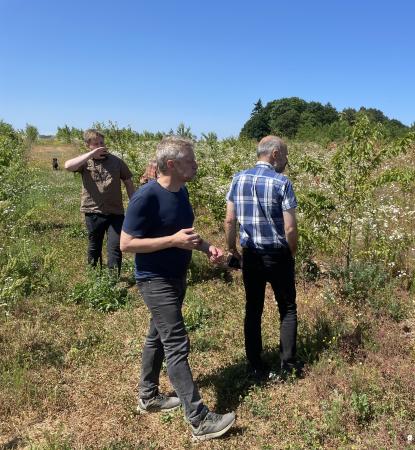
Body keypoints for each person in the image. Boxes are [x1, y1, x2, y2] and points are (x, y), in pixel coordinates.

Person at [120, 136, 235, 442]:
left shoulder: (181, 192)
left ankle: (148, 396)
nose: (196, 164)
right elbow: (126, 243)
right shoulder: (145, 197)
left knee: (156, 336)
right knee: (176, 343)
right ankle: (199, 420)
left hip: (176, 276)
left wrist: (208, 248)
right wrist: (172, 242)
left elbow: (185, 234)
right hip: (154, 279)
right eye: (190, 160)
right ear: (171, 164)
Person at [224, 135, 300, 380]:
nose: (286, 161)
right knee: (287, 308)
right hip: (278, 254)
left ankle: (255, 365)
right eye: (285, 155)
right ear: (275, 154)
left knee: (253, 308)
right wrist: (291, 251)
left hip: (252, 256)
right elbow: (290, 228)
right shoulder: (282, 182)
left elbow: (229, 220)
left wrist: (232, 249)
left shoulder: (238, 178)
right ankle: (287, 365)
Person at [64, 129, 135, 274]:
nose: (100, 146)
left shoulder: (116, 161)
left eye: (102, 142)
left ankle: (112, 280)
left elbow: (128, 181)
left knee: (115, 246)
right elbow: (68, 166)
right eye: (96, 144)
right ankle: (95, 277)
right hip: (93, 211)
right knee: (94, 245)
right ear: (88, 145)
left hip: (115, 212)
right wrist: (91, 155)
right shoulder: (85, 162)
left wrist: (134, 204)